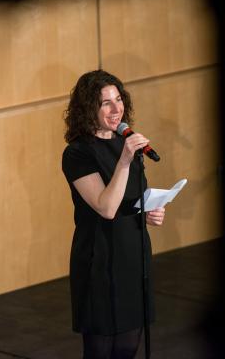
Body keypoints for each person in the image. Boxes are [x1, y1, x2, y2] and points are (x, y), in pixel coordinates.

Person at [62, 70, 165, 359]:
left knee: (127, 347)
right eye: (105, 102)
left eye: (118, 99)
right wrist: (125, 159)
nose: (115, 108)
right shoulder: (77, 153)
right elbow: (106, 208)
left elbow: (127, 201)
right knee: (101, 350)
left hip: (132, 254)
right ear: (88, 109)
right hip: (100, 259)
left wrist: (147, 212)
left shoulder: (125, 143)